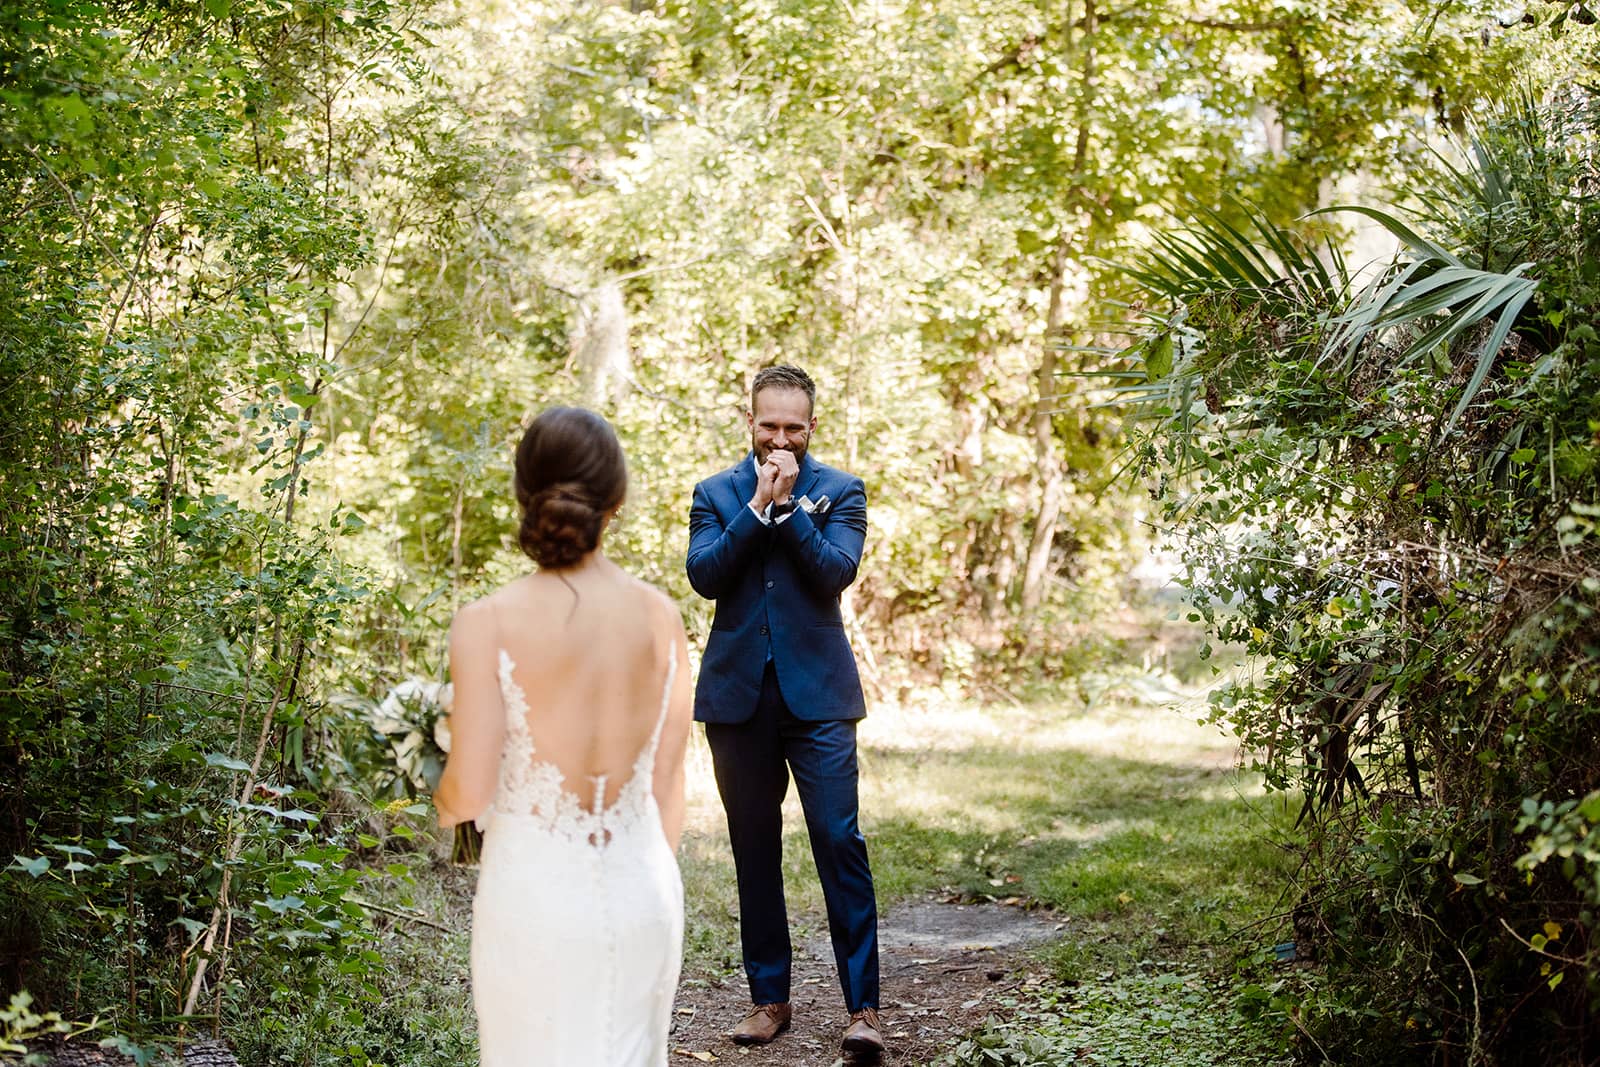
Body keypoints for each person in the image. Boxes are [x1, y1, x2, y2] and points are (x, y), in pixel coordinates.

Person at [435, 406, 693, 1067]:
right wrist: (630, 869)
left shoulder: (487, 621)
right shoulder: (662, 617)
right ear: (617, 499)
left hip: (535, 899)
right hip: (644, 890)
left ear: (524, 493)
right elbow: (668, 786)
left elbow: (467, 794)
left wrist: (435, 790)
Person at [686, 365, 884, 1056]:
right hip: (737, 700)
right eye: (768, 425)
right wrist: (756, 509)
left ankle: (863, 1007)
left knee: (839, 841)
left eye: (793, 428)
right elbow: (705, 574)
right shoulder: (715, 493)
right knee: (753, 850)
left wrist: (793, 509)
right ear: (751, 421)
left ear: (811, 427)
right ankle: (769, 998)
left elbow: (836, 572)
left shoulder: (842, 491)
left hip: (820, 699)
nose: (780, 439)